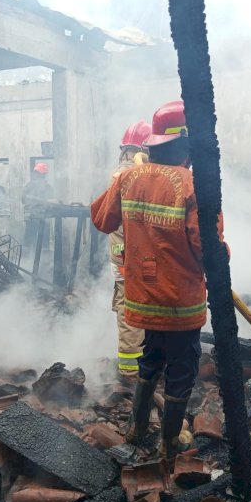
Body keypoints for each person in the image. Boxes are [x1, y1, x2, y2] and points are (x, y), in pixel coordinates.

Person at [91, 100, 226, 459]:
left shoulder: (128, 177)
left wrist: (123, 183)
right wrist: (223, 257)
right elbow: (207, 249)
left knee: (150, 357)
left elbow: (102, 221)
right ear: (187, 144)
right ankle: (168, 444)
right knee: (182, 368)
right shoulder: (193, 185)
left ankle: (135, 430)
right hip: (180, 302)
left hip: (143, 297)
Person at [109, 120, 152, 383]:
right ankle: (131, 372)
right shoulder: (133, 174)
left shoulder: (122, 172)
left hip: (124, 255)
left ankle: (135, 366)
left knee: (129, 308)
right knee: (131, 311)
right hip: (131, 257)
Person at [22, 162, 54, 251]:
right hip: (32, 218)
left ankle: (44, 261)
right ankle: (26, 260)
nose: (37, 177)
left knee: (44, 243)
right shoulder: (28, 187)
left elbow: (52, 202)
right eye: (36, 174)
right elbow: (23, 199)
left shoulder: (48, 188)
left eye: (40, 175)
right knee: (28, 241)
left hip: (44, 218)